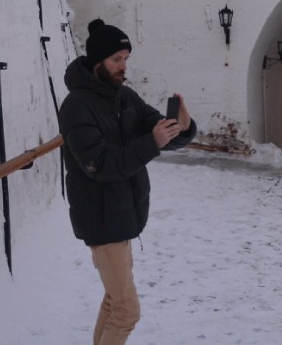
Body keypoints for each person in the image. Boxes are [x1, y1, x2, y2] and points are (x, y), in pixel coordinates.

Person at [59, 19, 197, 345]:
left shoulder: (125, 97)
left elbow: (157, 128)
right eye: (116, 60)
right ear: (98, 63)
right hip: (101, 219)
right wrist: (151, 141)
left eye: (126, 59)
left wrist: (182, 128)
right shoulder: (77, 106)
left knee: (113, 300)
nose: (123, 67)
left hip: (123, 214)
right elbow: (100, 164)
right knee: (126, 310)